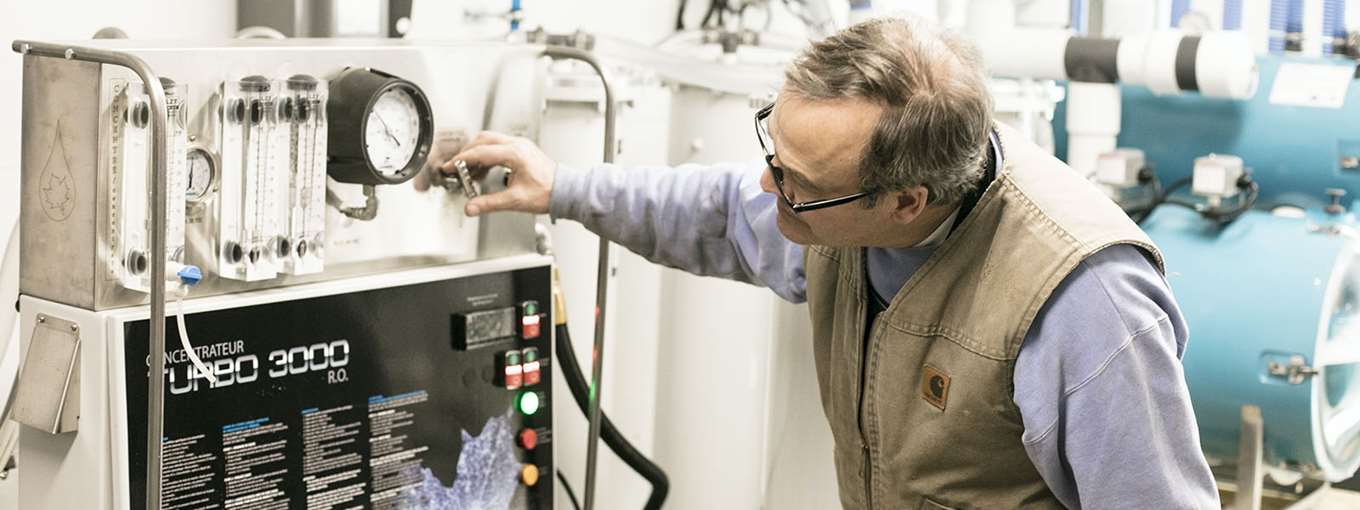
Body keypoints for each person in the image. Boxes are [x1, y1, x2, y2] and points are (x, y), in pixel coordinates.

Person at [439, 16, 1218, 509]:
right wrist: (564, 186)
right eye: (773, 153)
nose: (766, 186)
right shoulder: (833, 204)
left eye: (798, 185)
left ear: (905, 202)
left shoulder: (1084, 300)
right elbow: (709, 212)